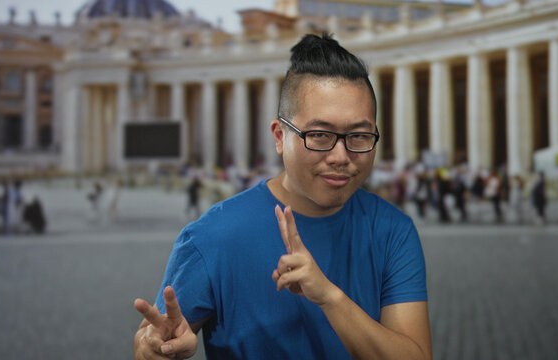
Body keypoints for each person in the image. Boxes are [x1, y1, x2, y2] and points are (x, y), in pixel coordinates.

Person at [133, 33, 432, 360]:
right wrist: (156, 350)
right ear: (279, 136)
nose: (340, 156)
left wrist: (329, 297)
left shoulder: (394, 232)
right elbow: (153, 338)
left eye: (359, 136)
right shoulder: (211, 237)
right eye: (319, 135)